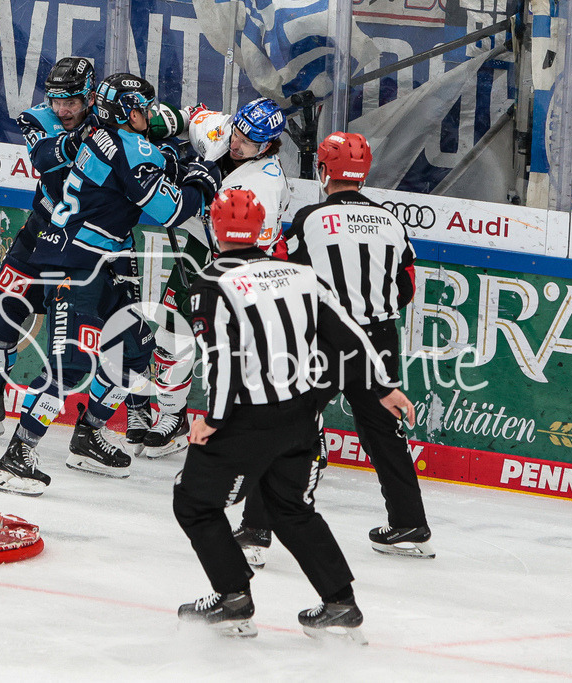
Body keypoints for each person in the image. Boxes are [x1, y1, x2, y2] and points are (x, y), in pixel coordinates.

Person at [173, 188, 415, 642]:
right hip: (300, 415)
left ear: (216, 230)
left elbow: (222, 357)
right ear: (261, 229)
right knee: (291, 508)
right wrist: (383, 386)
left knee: (193, 502)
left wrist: (213, 420)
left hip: (245, 419)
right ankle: (340, 602)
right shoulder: (301, 275)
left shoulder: (212, 282)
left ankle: (232, 595)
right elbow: (350, 333)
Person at [0, 73, 221, 495]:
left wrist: (178, 157)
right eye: (143, 108)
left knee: (134, 352)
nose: (148, 114)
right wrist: (202, 179)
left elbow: (149, 161)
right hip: (73, 265)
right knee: (71, 364)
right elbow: (170, 211)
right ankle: (18, 453)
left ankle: (89, 435)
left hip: (103, 263)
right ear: (129, 112)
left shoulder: (104, 135)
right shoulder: (128, 147)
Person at [238, 131, 432, 559]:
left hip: (323, 339)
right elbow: (406, 287)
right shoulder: (391, 222)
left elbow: (283, 274)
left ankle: (256, 531)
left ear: (324, 170)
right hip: (379, 339)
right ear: (364, 173)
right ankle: (410, 524)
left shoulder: (310, 219)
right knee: (384, 432)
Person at [0, 56, 102, 436]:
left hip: (84, 246)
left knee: (72, 345)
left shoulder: (110, 124)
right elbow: (43, 157)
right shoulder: (37, 117)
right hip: (40, 234)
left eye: (71, 102)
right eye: (57, 100)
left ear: (89, 98)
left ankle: (101, 424)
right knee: (1, 310)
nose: (62, 110)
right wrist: (86, 139)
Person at [140, 97, 290, 459]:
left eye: (248, 143)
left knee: (247, 351)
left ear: (267, 146)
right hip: (200, 248)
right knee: (170, 333)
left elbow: (251, 253)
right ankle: (172, 417)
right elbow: (191, 118)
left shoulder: (266, 188)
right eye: (237, 133)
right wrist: (154, 126)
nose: (236, 144)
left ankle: (288, 431)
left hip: (246, 265)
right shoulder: (225, 131)